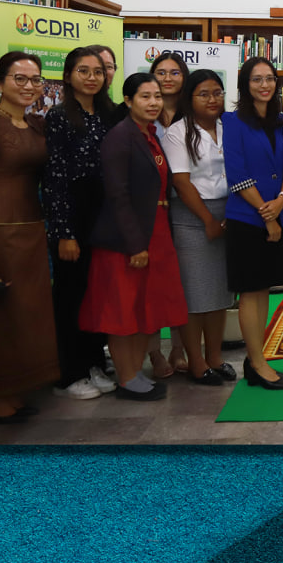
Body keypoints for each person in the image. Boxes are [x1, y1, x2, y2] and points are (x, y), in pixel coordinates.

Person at [0, 52, 59, 422]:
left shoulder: (36, 124)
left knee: (27, 315)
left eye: (35, 79)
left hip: (32, 230)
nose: (29, 86)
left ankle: (16, 388)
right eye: (20, 78)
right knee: (0, 316)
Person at [78, 73, 189, 401]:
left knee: (146, 308)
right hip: (127, 238)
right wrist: (134, 244)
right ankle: (126, 378)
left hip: (156, 229)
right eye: (145, 96)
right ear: (128, 101)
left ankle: (136, 372)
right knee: (123, 310)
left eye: (157, 96)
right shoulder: (120, 137)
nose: (154, 103)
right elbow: (117, 194)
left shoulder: (150, 134)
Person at [44, 47, 117, 401]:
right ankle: (69, 373)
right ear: (69, 76)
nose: (91, 77)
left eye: (98, 71)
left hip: (104, 213)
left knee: (97, 294)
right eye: (83, 71)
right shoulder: (58, 117)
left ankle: (94, 363)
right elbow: (55, 177)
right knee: (71, 295)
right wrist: (64, 232)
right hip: (74, 213)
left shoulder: (109, 115)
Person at [222, 56, 283, 390]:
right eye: (256, 79)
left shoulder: (282, 121)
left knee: (264, 289)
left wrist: (281, 201)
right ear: (245, 85)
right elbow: (237, 175)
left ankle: (256, 360)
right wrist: (268, 215)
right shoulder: (232, 121)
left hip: (278, 212)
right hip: (246, 218)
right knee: (251, 291)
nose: (265, 85)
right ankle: (257, 363)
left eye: (270, 78)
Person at [163, 68, 236, 385]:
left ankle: (215, 357)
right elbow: (181, 182)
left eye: (217, 93)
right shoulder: (178, 132)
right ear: (189, 98)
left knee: (220, 292)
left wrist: (229, 215)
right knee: (194, 294)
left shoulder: (228, 126)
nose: (212, 99)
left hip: (227, 212)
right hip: (192, 216)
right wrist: (208, 220)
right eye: (203, 94)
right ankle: (195, 361)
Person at [147, 50, 191, 375]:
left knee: (183, 281)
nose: (167, 78)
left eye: (174, 72)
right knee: (152, 283)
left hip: (188, 206)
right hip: (151, 209)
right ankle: (153, 352)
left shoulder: (194, 114)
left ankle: (179, 348)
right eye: (160, 72)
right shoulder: (144, 113)